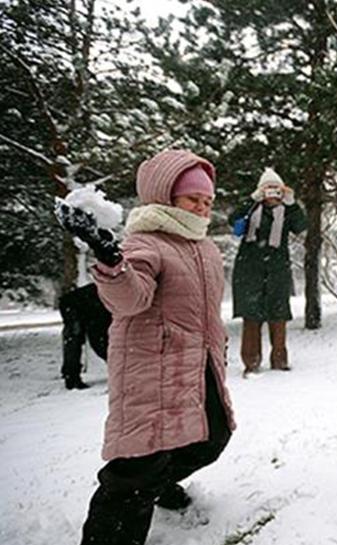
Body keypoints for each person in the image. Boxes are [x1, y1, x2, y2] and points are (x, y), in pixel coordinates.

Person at [55, 149, 236, 545]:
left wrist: (217, 348)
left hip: (197, 365)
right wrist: (110, 261)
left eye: (207, 201)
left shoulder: (204, 248)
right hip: (151, 370)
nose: (203, 208)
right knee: (137, 469)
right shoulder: (147, 242)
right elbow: (129, 300)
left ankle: (156, 486)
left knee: (212, 438)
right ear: (165, 197)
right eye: (193, 200)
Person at [229, 167, 307, 376]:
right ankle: (251, 363)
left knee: (278, 315)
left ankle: (280, 361)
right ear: (261, 191)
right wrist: (251, 200)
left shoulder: (287, 212)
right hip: (249, 269)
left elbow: (301, 226)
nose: (272, 194)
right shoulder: (251, 209)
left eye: (276, 190)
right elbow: (232, 221)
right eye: (268, 189)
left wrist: (292, 204)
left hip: (277, 270)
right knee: (251, 317)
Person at [57, 283, 111, 390]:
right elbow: (99, 342)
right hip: (76, 306)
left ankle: (69, 373)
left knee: (73, 340)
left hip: (77, 304)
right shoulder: (107, 307)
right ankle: (71, 378)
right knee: (75, 340)